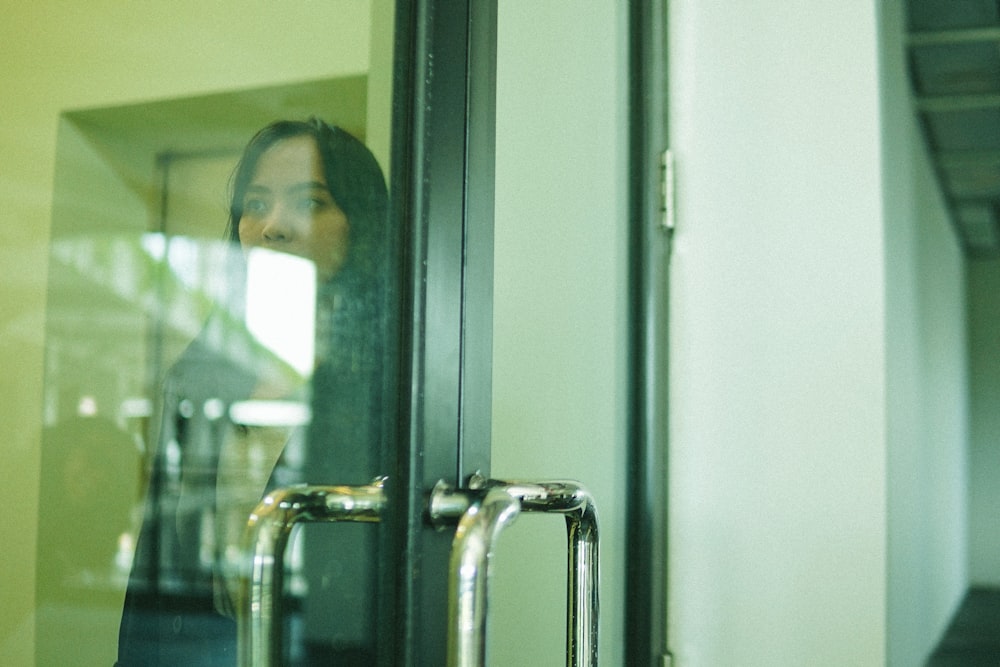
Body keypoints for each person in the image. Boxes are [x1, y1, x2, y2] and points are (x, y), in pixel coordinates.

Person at [116, 118, 391, 666]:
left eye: (310, 203)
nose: (273, 226)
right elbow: (161, 557)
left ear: (359, 226)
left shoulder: (390, 378)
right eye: (256, 203)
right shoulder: (199, 371)